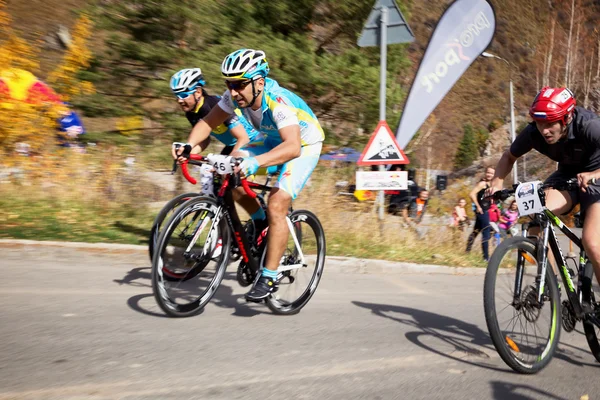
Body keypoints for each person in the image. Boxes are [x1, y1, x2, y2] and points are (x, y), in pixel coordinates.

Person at [173, 49, 325, 302]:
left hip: (302, 147)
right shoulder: (234, 97)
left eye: (240, 85)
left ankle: (268, 275)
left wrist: (255, 162)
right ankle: (259, 220)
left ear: (259, 82)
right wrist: (188, 146)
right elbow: (208, 122)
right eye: (229, 84)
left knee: (277, 202)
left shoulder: (278, 101)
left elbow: (292, 147)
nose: (233, 92)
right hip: (272, 141)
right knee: (226, 173)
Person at [487, 86, 600, 294]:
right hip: (568, 175)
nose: (544, 130)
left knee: (591, 242)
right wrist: (497, 181)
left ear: (565, 119)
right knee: (538, 215)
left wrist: (594, 174)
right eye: (540, 123)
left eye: (550, 124)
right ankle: (551, 283)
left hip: (598, 175)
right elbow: (508, 157)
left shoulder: (589, 126)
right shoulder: (534, 133)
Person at [170, 67, 259, 155]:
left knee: (228, 168)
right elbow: (204, 139)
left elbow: (243, 138)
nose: (179, 100)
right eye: (177, 96)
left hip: (254, 141)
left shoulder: (214, 105)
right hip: (232, 145)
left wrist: (231, 161)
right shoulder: (191, 113)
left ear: (198, 92)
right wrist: (188, 153)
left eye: (183, 95)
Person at [466, 166, 495, 261]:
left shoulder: (491, 184)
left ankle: (467, 251)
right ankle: (486, 258)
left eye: (491, 173)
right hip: (482, 211)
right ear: (485, 173)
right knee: (486, 232)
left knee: (475, 231)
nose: (489, 174)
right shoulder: (482, 183)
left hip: (485, 211)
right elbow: (472, 194)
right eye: (488, 172)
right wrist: (478, 206)